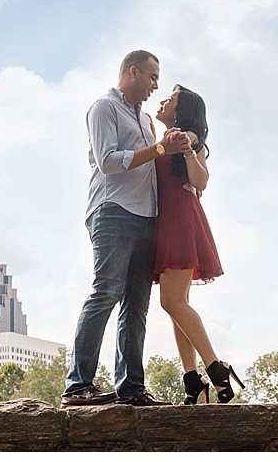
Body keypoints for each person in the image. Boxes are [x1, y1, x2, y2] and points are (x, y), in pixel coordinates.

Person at [61, 50, 193, 407]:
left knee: (137, 305)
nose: (155, 86)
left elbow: (154, 163)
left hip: (147, 217)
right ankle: (77, 386)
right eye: (152, 77)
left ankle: (131, 389)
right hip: (113, 211)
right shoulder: (104, 107)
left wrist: (174, 148)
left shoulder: (147, 120)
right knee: (106, 292)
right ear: (132, 72)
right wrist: (159, 148)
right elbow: (108, 162)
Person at [148, 84, 244, 404]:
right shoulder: (161, 140)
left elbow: (201, 181)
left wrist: (187, 146)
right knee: (177, 304)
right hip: (167, 223)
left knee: (171, 302)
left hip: (180, 221)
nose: (163, 100)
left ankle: (215, 367)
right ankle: (192, 380)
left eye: (171, 99)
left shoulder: (187, 137)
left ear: (182, 109)